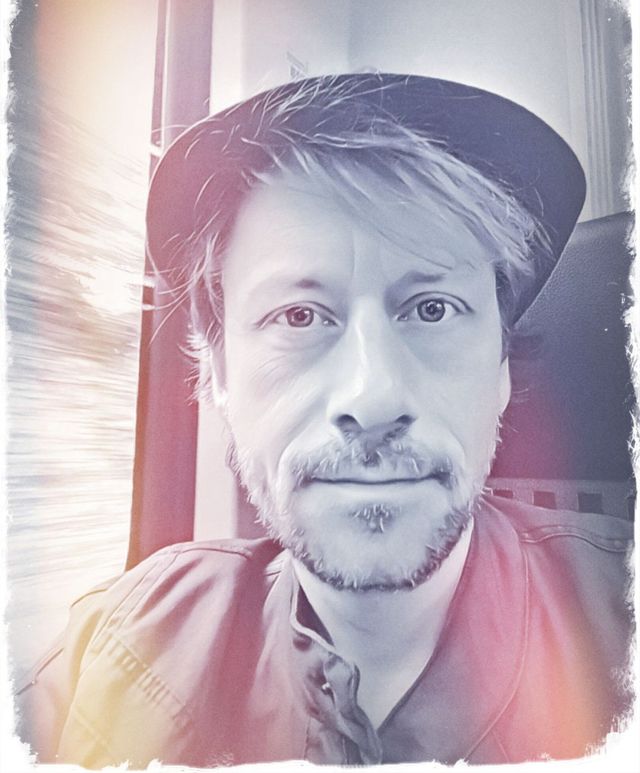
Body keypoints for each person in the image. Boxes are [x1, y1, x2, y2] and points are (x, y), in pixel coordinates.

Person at [16, 74, 633, 767]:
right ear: (219, 374)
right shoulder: (116, 650)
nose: (373, 398)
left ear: (501, 368)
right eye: (299, 315)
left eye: (432, 309)